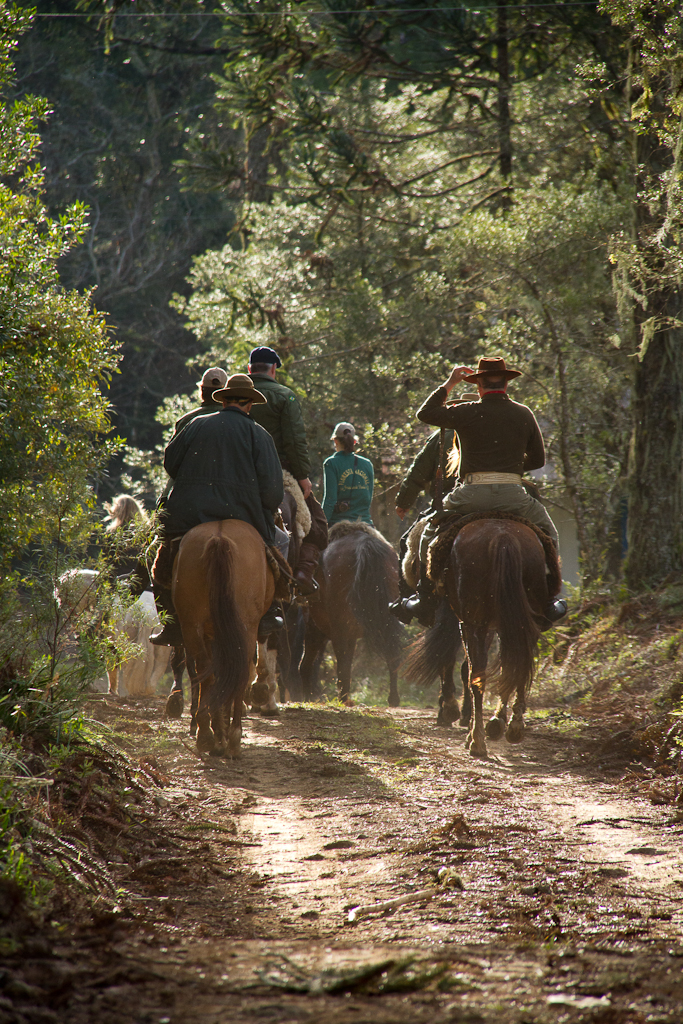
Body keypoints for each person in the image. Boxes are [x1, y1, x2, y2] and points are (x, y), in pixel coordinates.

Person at [394, 356, 567, 626]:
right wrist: (510, 467)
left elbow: (425, 414)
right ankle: (548, 599)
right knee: (548, 532)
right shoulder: (524, 413)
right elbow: (538, 461)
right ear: (506, 383)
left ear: (479, 386)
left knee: (430, 530)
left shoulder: (468, 412)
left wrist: (450, 383)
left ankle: (425, 596)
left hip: (471, 493)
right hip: (513, 493)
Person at [150, 374, 286, 646]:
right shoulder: (260, 434)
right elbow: (273, 492)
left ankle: (172, 621)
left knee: (160, 561)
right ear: (250, 404)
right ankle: (272, 610)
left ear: (223, 400)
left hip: (189, 515)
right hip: (245, 515)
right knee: (282, 544)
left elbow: (171, 466)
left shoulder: (195, 425)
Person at [247, 346, 328, 596]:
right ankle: (302, 575)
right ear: (273, 369)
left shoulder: (234, 395)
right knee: (316, 524)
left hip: (239, 472)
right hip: (279, 474)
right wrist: (304, 479)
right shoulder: (285, 396)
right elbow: (294, 441)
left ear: (250, 369)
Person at [322, 422, 375, 526]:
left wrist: (321, 524)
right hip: (365, 523)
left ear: (335, 441)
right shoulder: (367, 464)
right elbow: (368, 499)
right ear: (354, 441)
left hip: (338, 523)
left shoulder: (331, 463)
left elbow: (330, 500)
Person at [103, 494, 151, 593]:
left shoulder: (111, 535)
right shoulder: (146, 533)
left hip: (120, 586)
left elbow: (107, 565)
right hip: (145, 588)